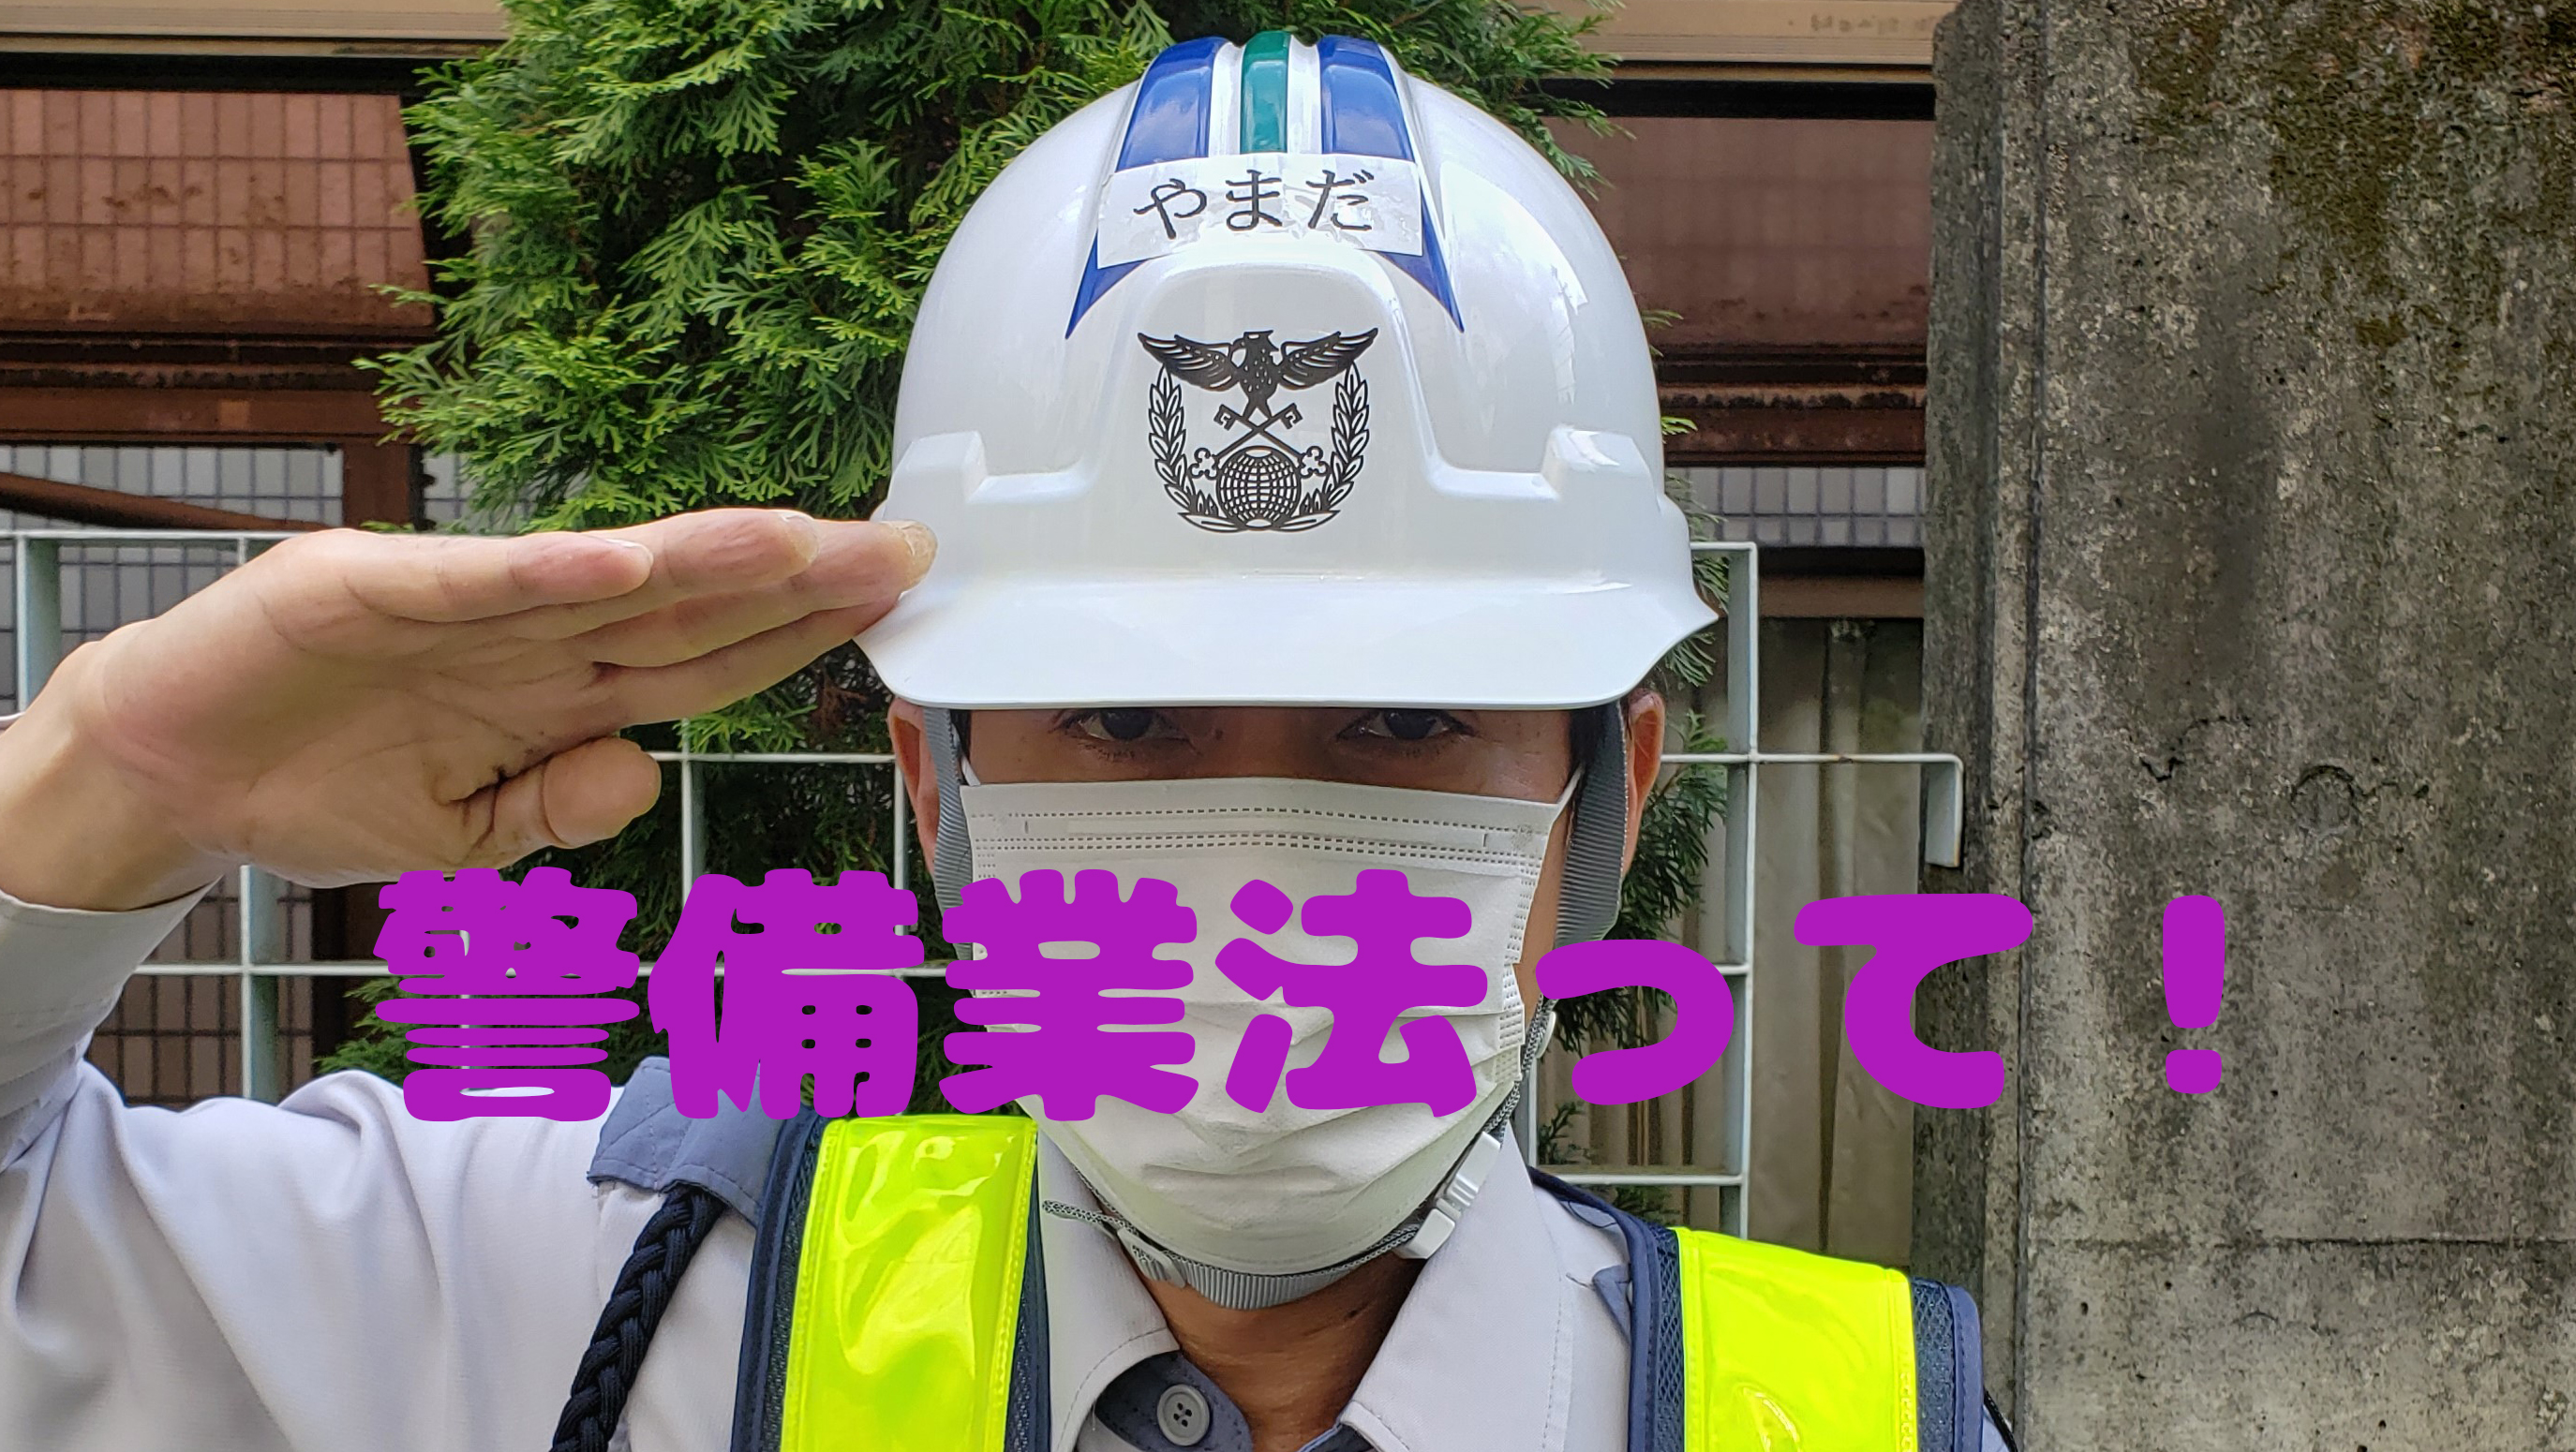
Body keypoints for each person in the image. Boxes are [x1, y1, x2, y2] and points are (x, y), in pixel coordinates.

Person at [0, 33, 2008, 1452]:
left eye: (1405, 718)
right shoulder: (579, 1297)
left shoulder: (1851, 1417)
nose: (1258, 863)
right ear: (932, 790)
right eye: (1124, 717)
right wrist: (102, 794)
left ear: (1608, 795)